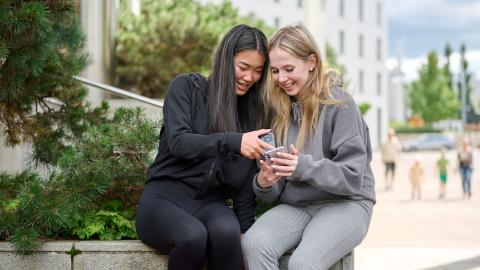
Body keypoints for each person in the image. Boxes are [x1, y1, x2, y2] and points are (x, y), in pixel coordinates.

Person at [136, 25, 273, 270]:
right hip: (163, 199)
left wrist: (244, 228)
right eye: (243, 67)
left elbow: (244, 183)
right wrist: (233, 141)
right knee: (192, 237)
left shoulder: (249, 115)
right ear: (224, 59)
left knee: (227, 234)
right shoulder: (186, 88)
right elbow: (179, 142)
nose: (249, 77)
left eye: (257, 71)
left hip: (210, 203)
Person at [241, 25, 375, 270]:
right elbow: (276, 192)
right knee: (253, 244)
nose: (282, 79)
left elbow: (353, 178)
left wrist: (302, 167)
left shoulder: (340, 104)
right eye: (275, 71)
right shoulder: (278, 112)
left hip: (347, 203)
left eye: (289, 69)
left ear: (311, 61)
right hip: (299, 205)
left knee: (304, 263)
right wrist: (265, 182)